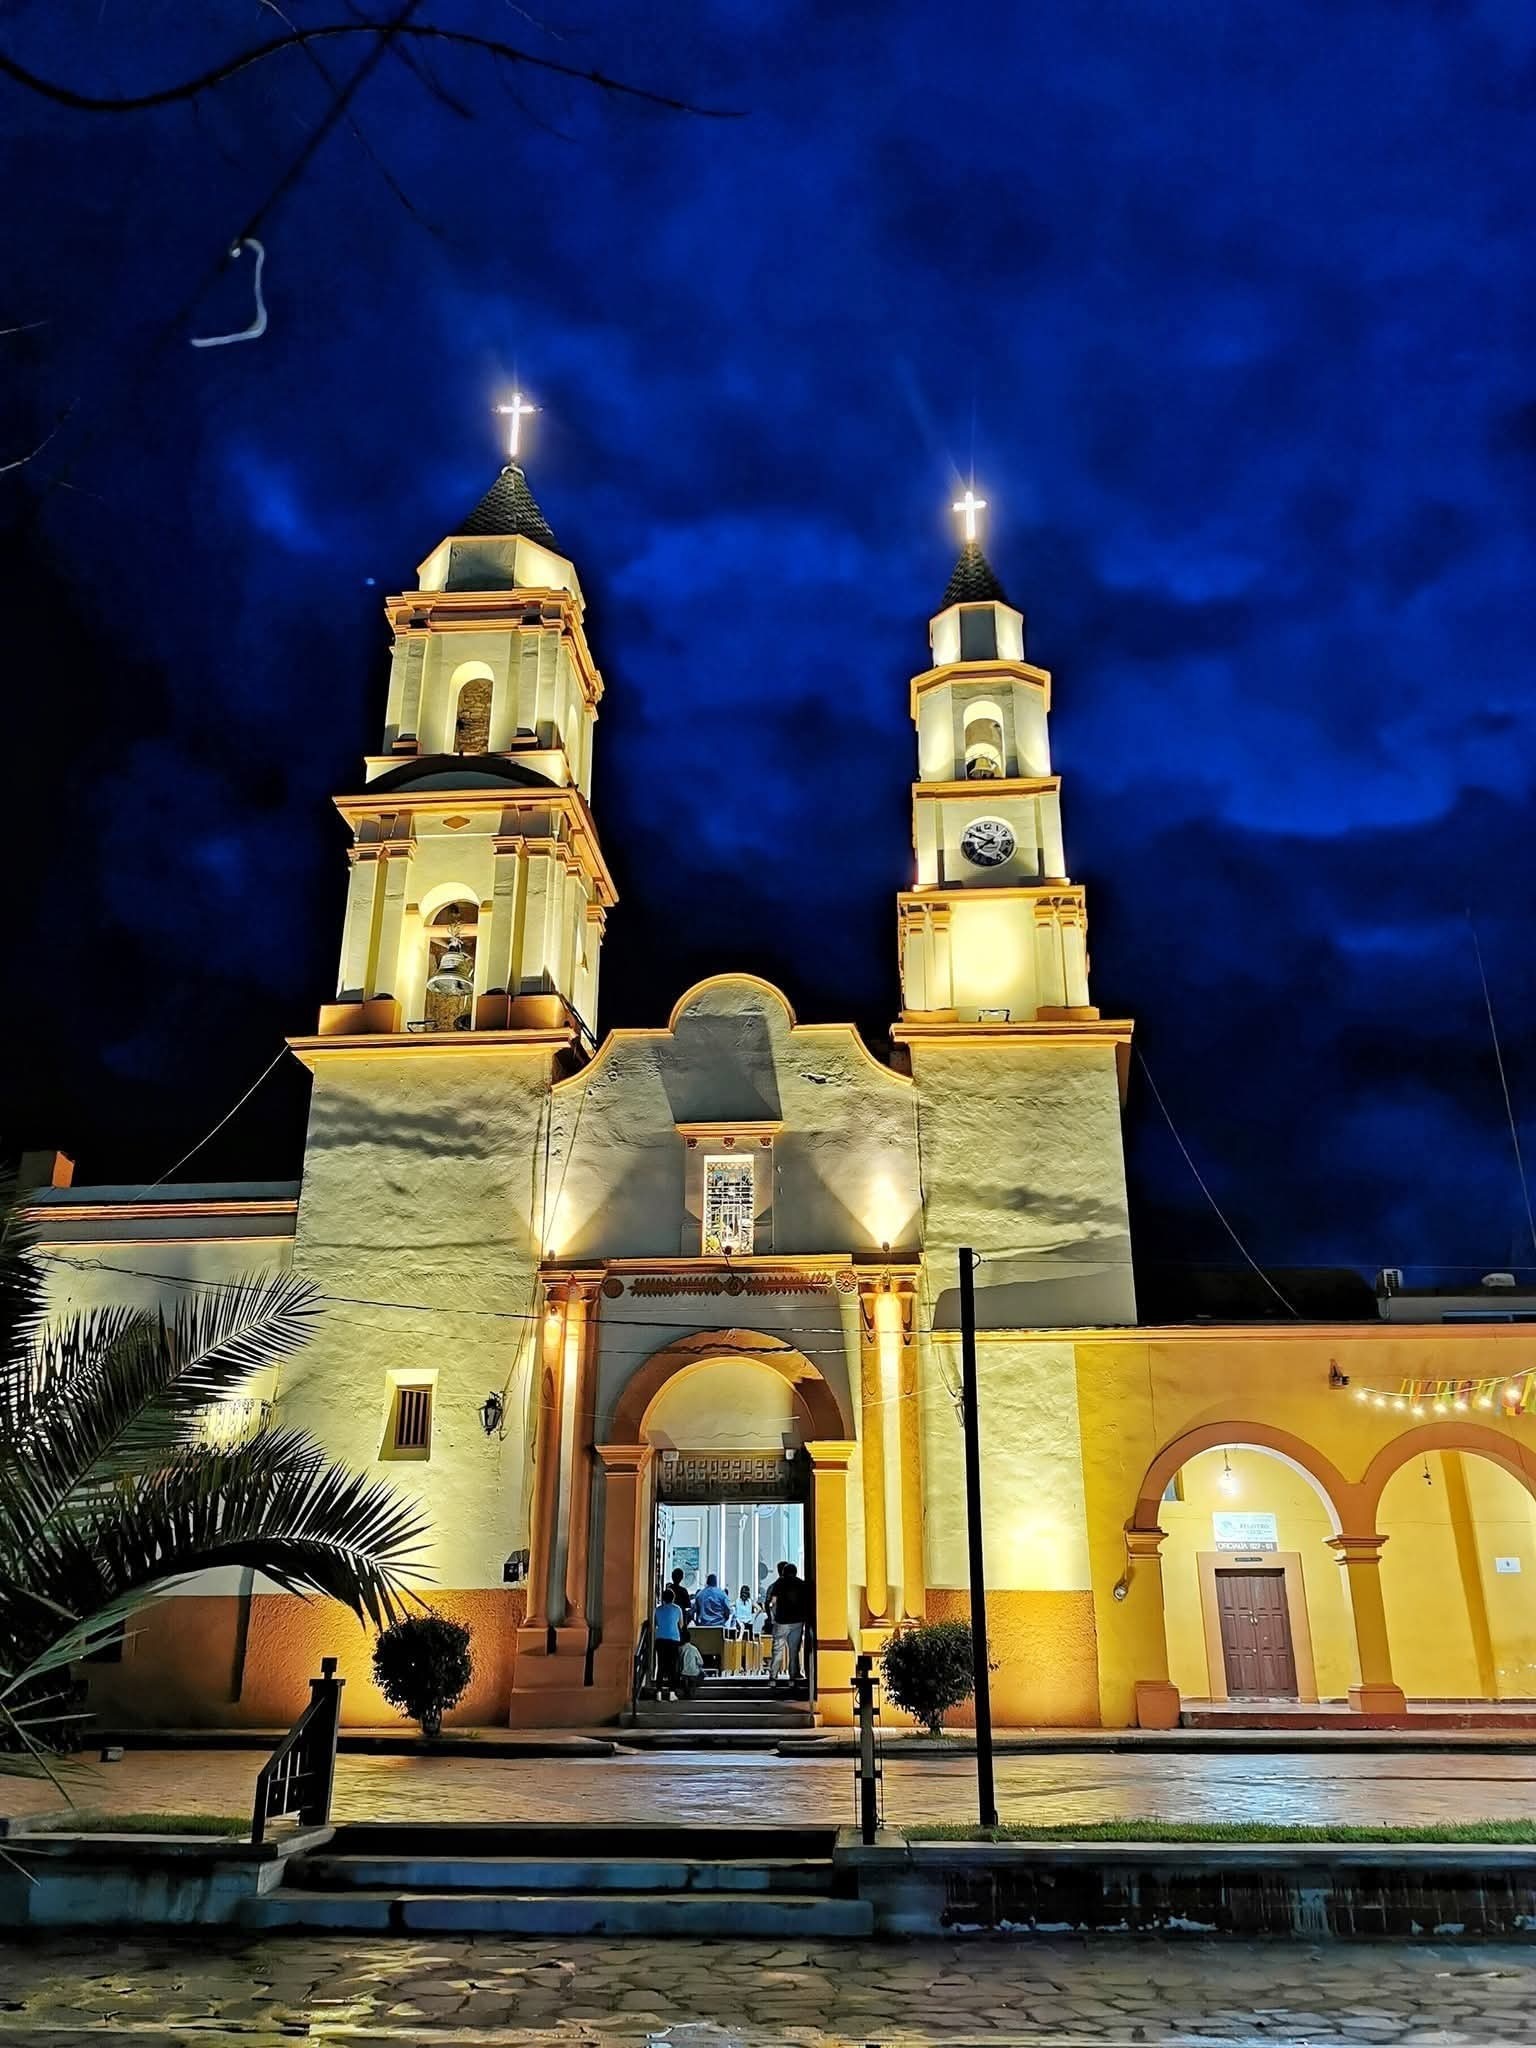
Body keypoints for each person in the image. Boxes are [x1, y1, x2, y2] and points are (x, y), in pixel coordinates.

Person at [768, 1561, 808, 1688]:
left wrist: (774, 1617)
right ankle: (792, 1677)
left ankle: (773, 1677)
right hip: (797, 1621)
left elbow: (773, 1602)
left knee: (777, 1650)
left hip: (781, 1621)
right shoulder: (801, 1584)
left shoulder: (779, 1583)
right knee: (794, 1650)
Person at [653, 1583, 683, 1699]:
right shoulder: (677, 1609)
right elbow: (681, 1625)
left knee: (660, 1665)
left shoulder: (657, 1610)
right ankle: (672, 1692)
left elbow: (655, 1624)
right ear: (673, 1599)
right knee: (672, 1666)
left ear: (663, 1598)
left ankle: (658, 1692)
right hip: (673, 1639)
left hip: (660, 1639)